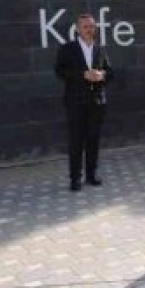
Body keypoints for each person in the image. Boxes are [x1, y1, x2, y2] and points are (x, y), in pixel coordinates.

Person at [54, 13, 113, 191]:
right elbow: (60, 72)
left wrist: (102, 75)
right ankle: (75, 178)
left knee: (93, 140)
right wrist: (82, 75)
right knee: (76, 141)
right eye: (86, 27)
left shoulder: (100, 49)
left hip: (97, 102)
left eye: (92, 26)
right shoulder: (67, 49)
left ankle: (91, 174)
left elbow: (110, 72)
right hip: (76, 102)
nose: (89, 30)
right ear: (78, 29)